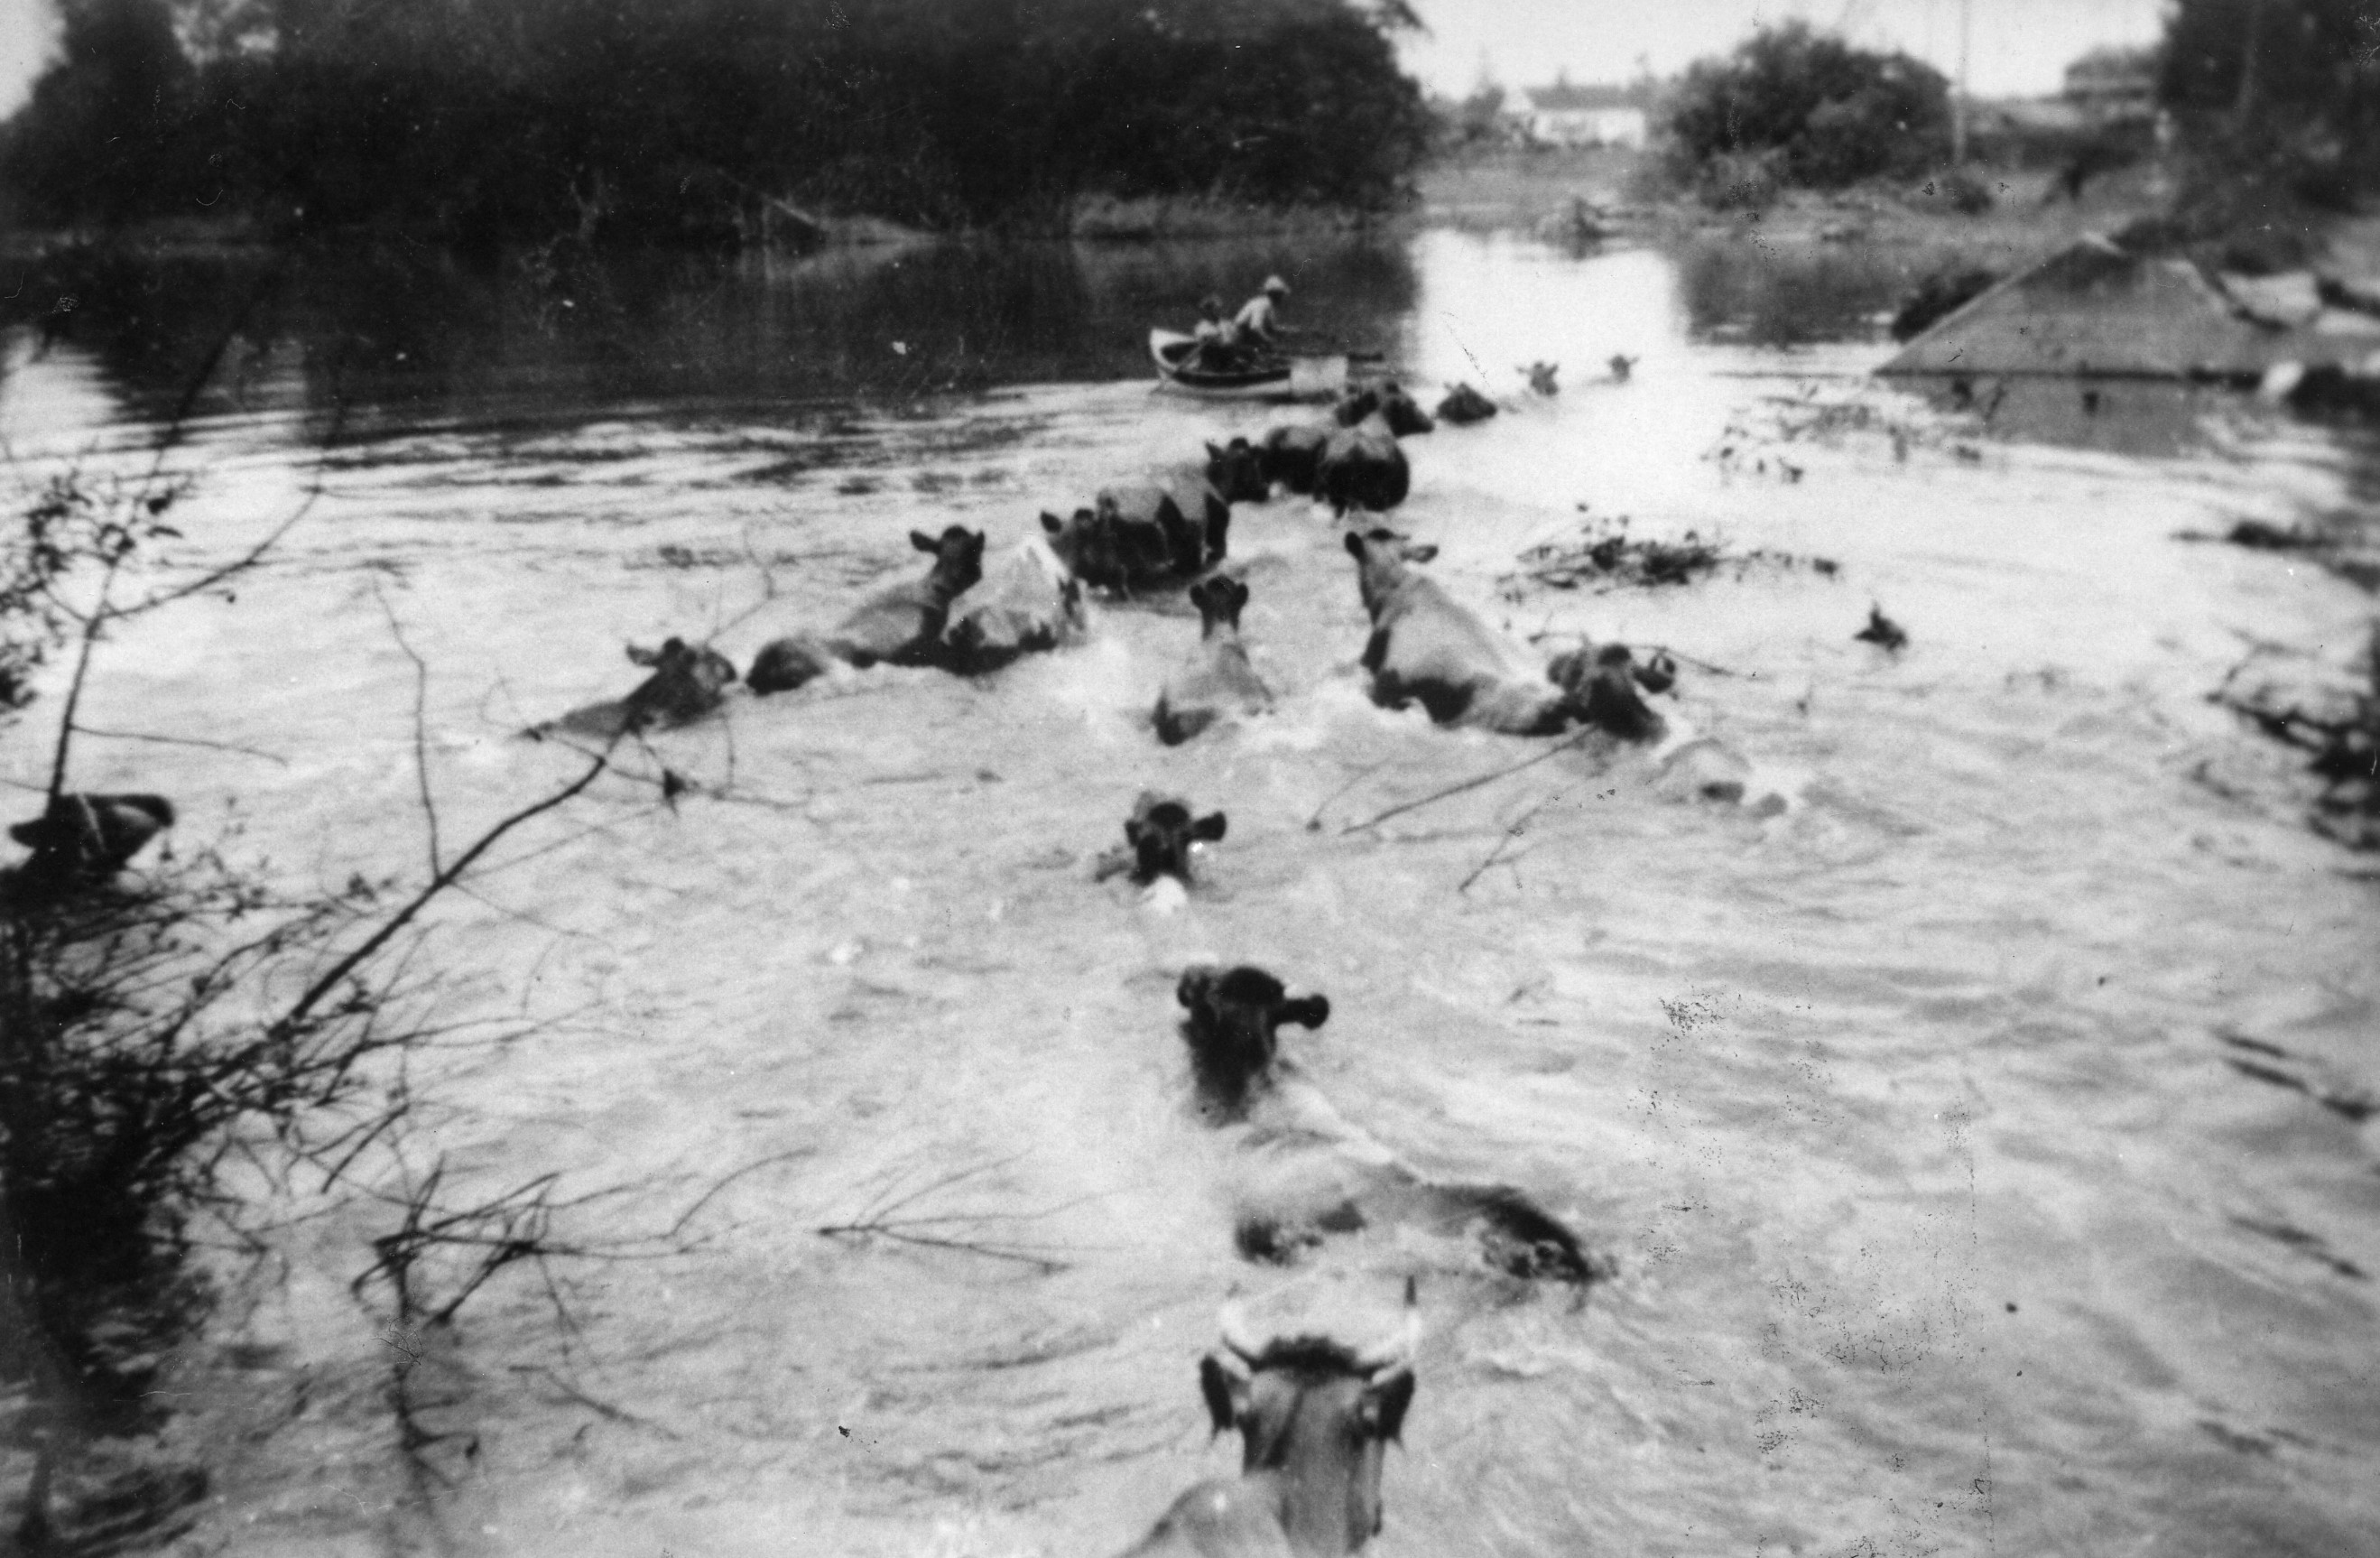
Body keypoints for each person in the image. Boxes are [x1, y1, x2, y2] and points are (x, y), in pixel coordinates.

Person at [1233, 275, 1289, 353]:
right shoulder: (1262, 304)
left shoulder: (1270, 306)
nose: (1282, 297)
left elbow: (1270, 327)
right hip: (1240, 338)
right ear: (1274, 294)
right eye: (1281, 294)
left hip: (1248, 336)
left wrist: (1283, 331)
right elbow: (1255, 327)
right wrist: (1268, 341)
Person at [1191, 294, 1234, 371]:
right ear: (1208, 311)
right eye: (1216, 309)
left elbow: (1231, 341)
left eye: (1219, 309)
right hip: (1211, 360)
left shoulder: (1227, 324)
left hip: (1228, 358)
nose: (1219, 311)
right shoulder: (1201, 327)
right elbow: (1202, 344)